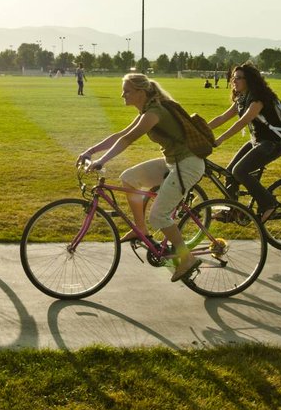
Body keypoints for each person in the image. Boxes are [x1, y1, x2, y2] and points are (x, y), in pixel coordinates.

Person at [76, 73, 206, 284]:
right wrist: (90, 151)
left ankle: (186, 258)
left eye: (127, 91)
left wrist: (101, 161)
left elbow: (128, 139)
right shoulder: (146, 111)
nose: (122, 94)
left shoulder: (154, 113)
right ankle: (140, 229)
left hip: (188, 165)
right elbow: (121, 134)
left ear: (141, 92)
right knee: (129, 178)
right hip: (174, 162)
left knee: (159, 217)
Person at [208, 63, 281, 224]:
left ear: (249, 80)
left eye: (238, 78)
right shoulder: (242, 99)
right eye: (233, 77)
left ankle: (269, 204)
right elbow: (222, 118)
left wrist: (220, 139)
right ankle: (233, 210)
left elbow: (242, 122)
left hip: (273, 144)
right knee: (229, 173)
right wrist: (198, 128)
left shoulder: (258, 99)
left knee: (240, 171)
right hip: (257, 142)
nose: (234, 81)